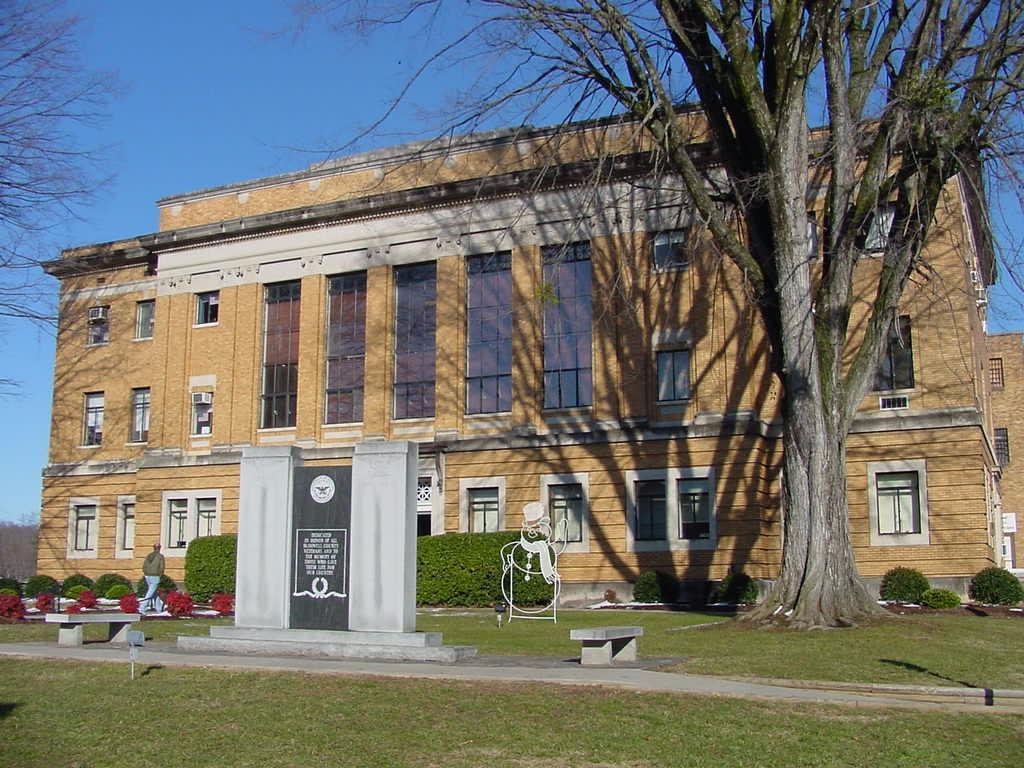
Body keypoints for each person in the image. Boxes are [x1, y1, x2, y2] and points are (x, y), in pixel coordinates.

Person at [141, 543, 165, 613]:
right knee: (150, 593)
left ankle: (159, 608)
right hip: (155, 576)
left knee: (154, 592)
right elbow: (162, 567)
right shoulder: (160, 556)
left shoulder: (148, 555)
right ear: (159, 548)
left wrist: (145, 572)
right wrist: (160, 575)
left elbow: (144, 566)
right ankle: (142, 607)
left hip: (147, 575)